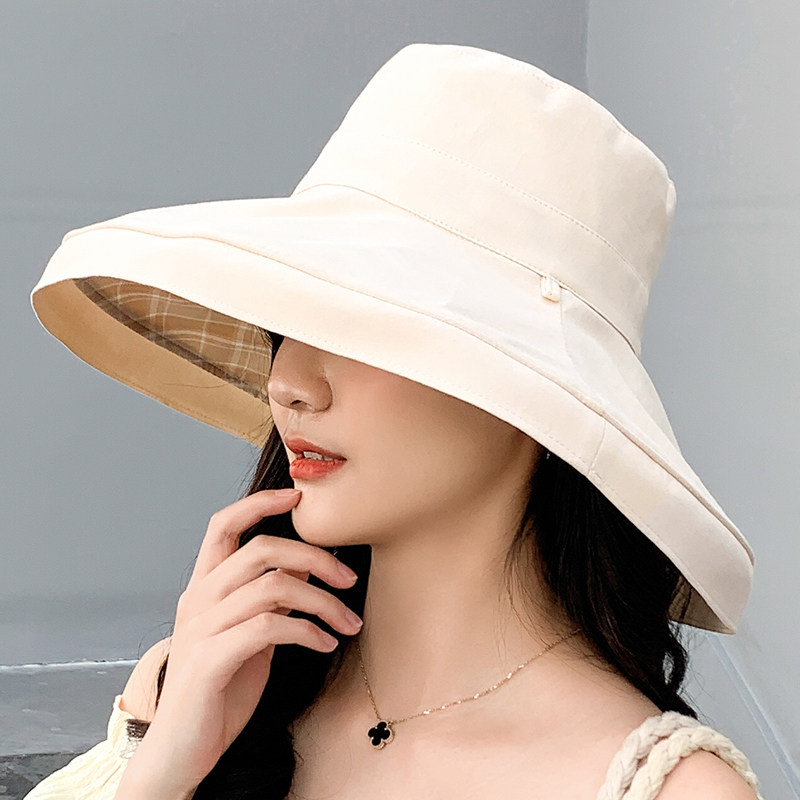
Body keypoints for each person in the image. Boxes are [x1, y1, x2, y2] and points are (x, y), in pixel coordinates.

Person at [25, 43, 762, 799]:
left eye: (362, 327)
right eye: (286, 325)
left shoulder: (669, 791)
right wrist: (164, 767)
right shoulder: (198, 694)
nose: (288, 384)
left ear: (536, 397)